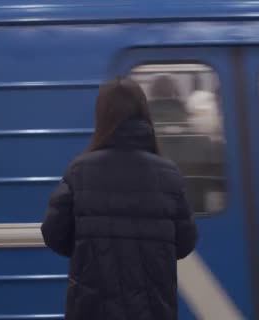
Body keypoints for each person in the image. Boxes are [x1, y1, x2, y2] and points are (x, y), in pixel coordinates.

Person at [41, 78, 198, 320]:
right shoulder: (168, 174)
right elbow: (185, 242)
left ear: (102, 117)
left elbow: (54, 236)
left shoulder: (79, 171)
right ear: (144, 113)